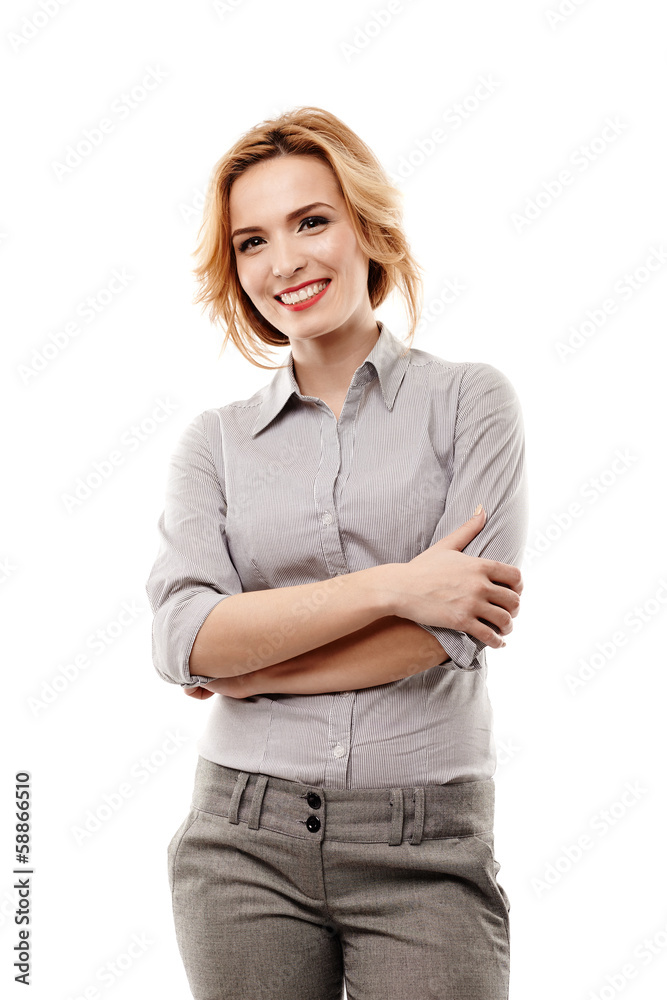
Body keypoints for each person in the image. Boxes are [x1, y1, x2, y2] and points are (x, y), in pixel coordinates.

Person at [145, 106, 528, 1000]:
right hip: (241, 842)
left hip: (425, 844)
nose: (283, 263)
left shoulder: (471, 402)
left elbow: (451, 631)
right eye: (251, 241)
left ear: (366, 226)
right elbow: (186, 640)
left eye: (310, 221)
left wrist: (251, 666)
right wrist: (399, 584)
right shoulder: (215, 443)